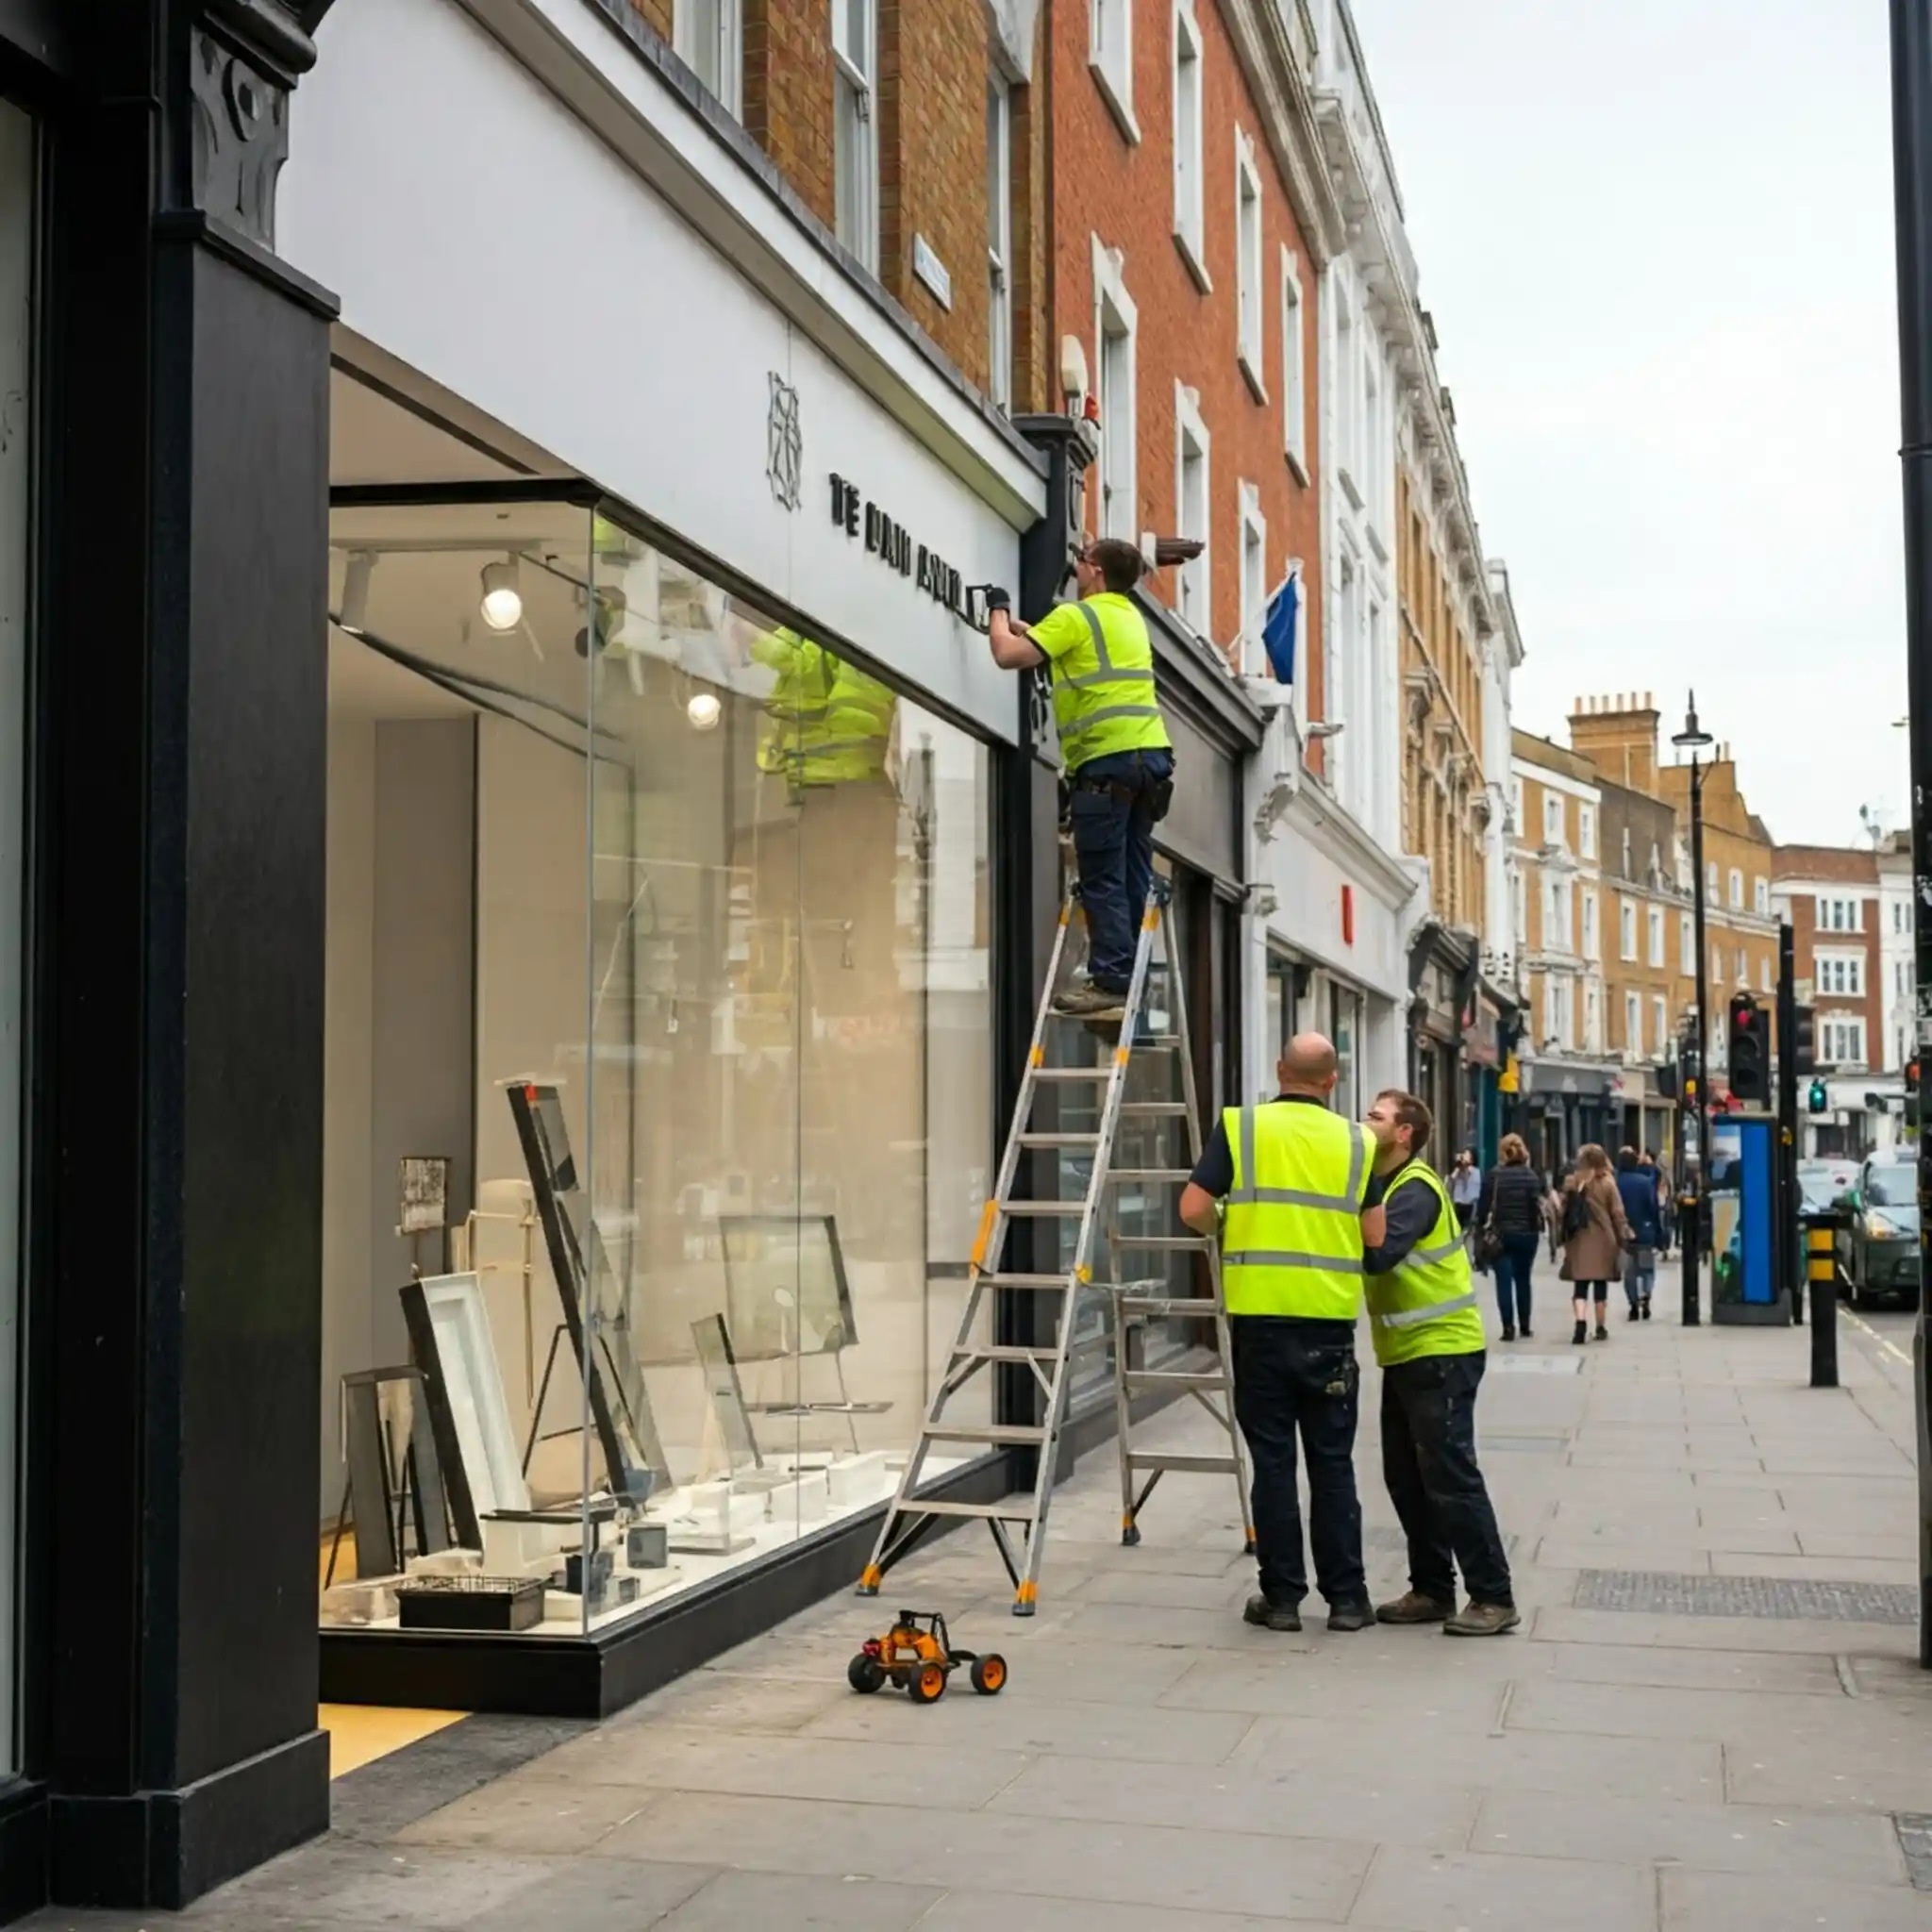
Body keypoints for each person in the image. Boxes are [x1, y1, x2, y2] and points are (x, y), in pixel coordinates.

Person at [1179, 1033, 1376, 1635]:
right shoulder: (1357, 1140)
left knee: (1272, 1462)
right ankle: (1347, 1601)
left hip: (1259, 1323)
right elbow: (1373, 1236)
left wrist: (1226, 1225)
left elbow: (1191, 1207)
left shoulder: (1240, 1127)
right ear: (1333, 1081)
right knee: (1333, 1465)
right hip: (1329, 1328)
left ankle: (1283, 1600)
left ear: (1279, 1070)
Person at [984, 541, 1174, 1021]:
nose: (1075, 568)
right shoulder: (1127, 618)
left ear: (1095, 570)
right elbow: (1081, 656)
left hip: (1105, 760)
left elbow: (1007, 655)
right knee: (1132, 874)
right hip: (1150, 759)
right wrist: (1040, 632)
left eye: (1081, 562)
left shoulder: (1076, 616)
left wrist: (998, 609)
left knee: (1101, 875)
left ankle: (1110, 981)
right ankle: (1131, 982)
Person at [1361, 1090, 1519, 1637]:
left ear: (1404, 1134)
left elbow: (1379, 1254)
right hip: (1408, 1351)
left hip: (1442, 1352)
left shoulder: (1416, 1190)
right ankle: (1431, 1588)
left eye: (1376, 1116)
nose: (1366, 1121)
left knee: (1451, 1475)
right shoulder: (1384, 1185)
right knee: (1406, 1478)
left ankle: (1493, 1595)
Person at [1475, 1133, 1547, 1341]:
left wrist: (1481, 1229)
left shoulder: (1494, 1175)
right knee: (1523, 1279)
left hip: (1501, 1235)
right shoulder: (1530, 1176)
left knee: (1503, 1281)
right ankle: (1525, 1325)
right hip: (1526, 1235)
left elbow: (1483, 1208)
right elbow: (1536, 1207)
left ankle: (1508, 1327)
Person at [1561, 1143, 1632, 1344]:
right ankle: (1600, 1327)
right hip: (1604, 1240)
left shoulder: (1573, 1182)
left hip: (1579, 1240)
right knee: (1601, 1287)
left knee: (1580, 1287)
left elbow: (1563, 1212)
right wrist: (1624, 1234)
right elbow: (1617, 1214)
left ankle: (1580, 1324)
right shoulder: (1608, 1184)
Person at [1617, 1147, 1665, 1321]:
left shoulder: (1616, 1182)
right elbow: (1653, 1208)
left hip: (1624, 1233)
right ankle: (1646, 1294)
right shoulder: (1645, 1182)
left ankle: (1633, 1303)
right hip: (1645, 1231)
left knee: (1629, 1271)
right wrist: (1658, 1232)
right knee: (1647, 1269)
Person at [1448, 1150, 1482, 1230]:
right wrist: (1458, 1168)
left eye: (1466, 1155)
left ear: (1472, 1159)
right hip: (1458, 1204)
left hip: (1470, 1205)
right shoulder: (1458, 1171)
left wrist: (1465, 1168)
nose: (1464, 1157)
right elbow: (1450, 1182)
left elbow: (1469, 1184)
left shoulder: (1476, 1172)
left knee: (1468, 1230)